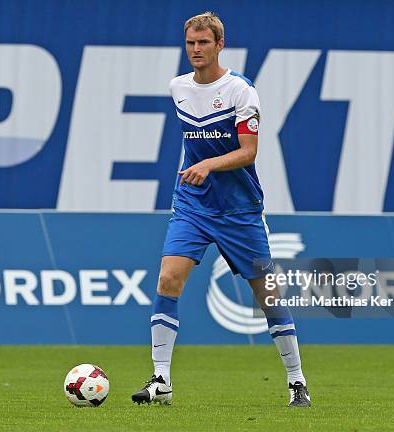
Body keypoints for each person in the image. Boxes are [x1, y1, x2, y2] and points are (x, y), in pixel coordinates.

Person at [131, 11, 310, 408]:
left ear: (219, 45)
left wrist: (208, 165)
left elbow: (249, 152)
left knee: (267, 294)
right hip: (193, 204)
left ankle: (297, 380)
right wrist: (197, 172)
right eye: (190, 43)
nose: (196, 50)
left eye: (203, 43)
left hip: (239, 209)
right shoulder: (178, 87)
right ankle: (161, 379)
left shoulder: (240, 91)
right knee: (168, 279)